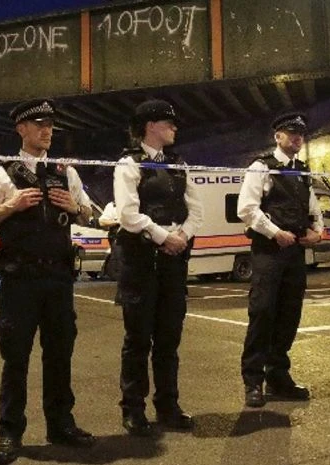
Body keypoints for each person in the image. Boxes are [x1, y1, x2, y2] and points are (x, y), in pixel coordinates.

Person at [0, 99, 96, 464]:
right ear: (21, 130)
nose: (47, 131)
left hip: (58, 278)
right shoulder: (1, 174)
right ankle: (10, 432)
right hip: (19, 280)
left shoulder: (65, 172)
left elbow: (89, 213)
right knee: (16, 359)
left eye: (51, 125)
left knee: (60, 355)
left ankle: (61, 425)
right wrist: (11, 206)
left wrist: (74, 208)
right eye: (39, 124)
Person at [113, 99, 203, 435]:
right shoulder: (129, 164)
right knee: (137, 341)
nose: (175, 127)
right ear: (150, 125)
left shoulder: (180, 164)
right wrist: (165, 236)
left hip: (172, 263)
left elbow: (196, 211)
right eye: (169, 122)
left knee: (169, 339)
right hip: (140, 264)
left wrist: (182, 236)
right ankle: (133, 409)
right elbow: (127, 214)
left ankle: (168, 406)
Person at [237, 111, 323, 408]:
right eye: (291, 132)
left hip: (295, 251)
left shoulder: (302, 170)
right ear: (278, 136)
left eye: (301, 132)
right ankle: (253, 381)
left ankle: (278, 375)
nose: (298, 136)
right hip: (269, 251)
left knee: (289, 314)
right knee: (262, 313)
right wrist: (275, 233)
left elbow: (314, 208)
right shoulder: (261, 167)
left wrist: (319, 232)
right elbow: (247, 209)